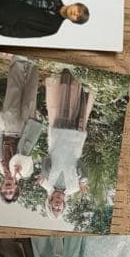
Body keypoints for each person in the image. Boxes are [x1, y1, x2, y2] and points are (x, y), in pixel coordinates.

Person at [39, 70, 94, 219]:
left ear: (50, 202)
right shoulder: (74, 188)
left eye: (53, 207)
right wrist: (83, 180)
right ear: (63, 205)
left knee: (64, 102)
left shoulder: (46, 183)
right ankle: (84, 76)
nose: (57, 206)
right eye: (59, 209)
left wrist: (44, 173)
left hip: (59, 136)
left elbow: (46, 160)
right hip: (75, 140)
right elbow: (80, 165)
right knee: (80, 107)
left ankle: (68, 73)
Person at [0, 57, 43, 203]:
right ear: (16, 188)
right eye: (11, 192)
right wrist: (20, 168)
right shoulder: (25, 173)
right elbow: (28, 159)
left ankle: (18, 60)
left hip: (9, 127)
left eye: (5, 191)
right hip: (25, 129)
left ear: (1, 187)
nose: (8, 189)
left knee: (13, 90)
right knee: (31, 95)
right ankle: (33, 63)